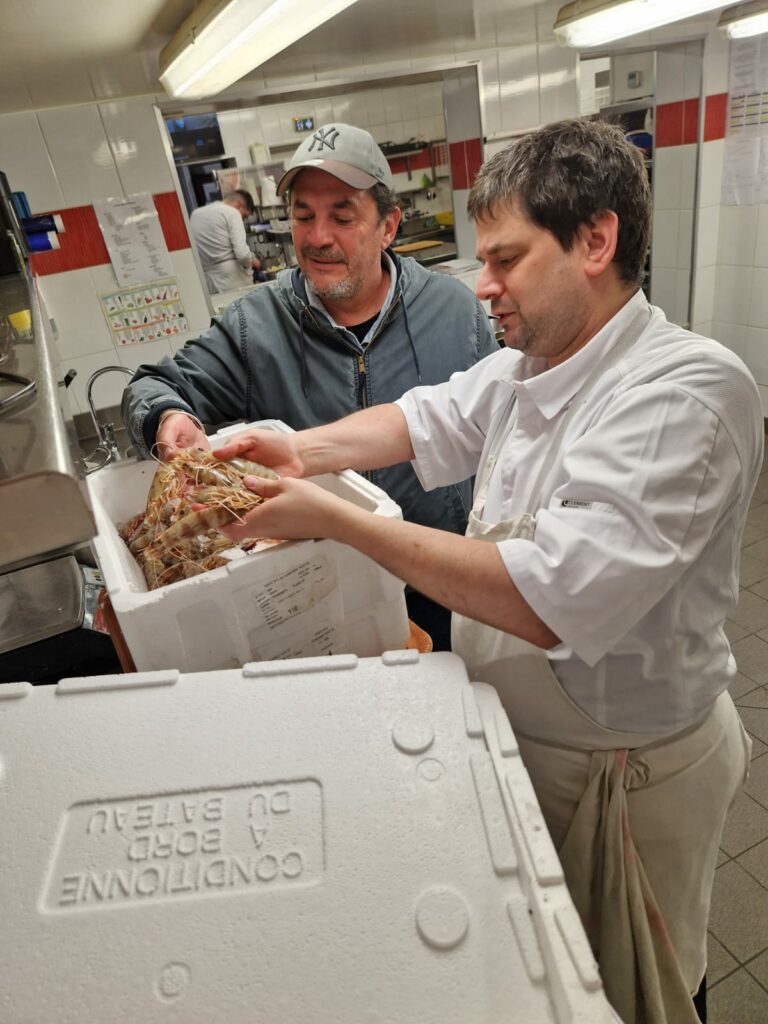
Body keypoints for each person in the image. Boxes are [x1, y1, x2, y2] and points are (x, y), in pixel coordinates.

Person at [206, 119, 764, 1024]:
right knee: (564, 978)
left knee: (646, 983)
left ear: (596, 241)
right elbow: (425, 419)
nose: (483, 286)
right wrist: (297, 451)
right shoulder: (533, 363)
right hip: (543, 745)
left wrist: (339, 520)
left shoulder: (684, 393)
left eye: (505, 259)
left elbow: (547, 598)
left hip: (626, 777)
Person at [122, 123, 498, 649]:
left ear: (388, 225)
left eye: (342, 217)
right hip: (318, 593)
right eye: (303, 216)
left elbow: (504, 430)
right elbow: (155, 384)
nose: (318, 237)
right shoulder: (257, 326)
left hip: (442, 577)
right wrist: (168, 416)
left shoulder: (454, 311)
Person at [189, 189, 261, 293]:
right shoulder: (232, 213)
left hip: (209, 283)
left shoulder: (196, 214)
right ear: (239, 205)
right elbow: (242, 255)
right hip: (233, 282)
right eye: (244, 216)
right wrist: (253, 260)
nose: (243, 220)